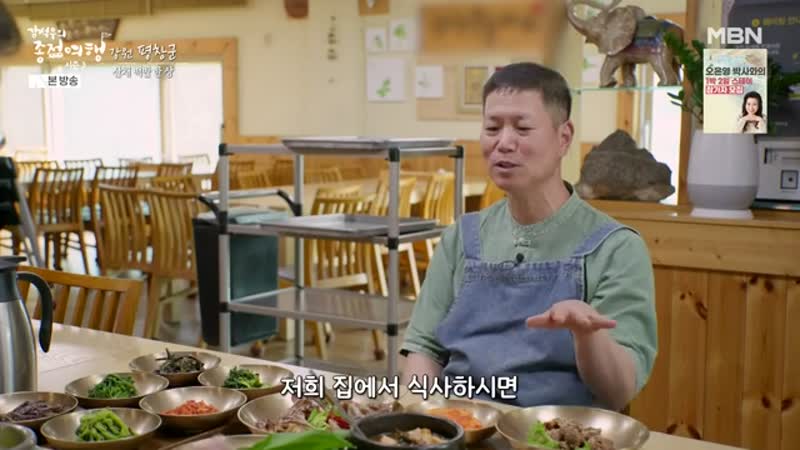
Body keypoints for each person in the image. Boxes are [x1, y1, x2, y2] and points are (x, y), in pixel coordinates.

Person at [400, 62, 657, 412]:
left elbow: (619, 392)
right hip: (462, 425)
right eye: (492, 128)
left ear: (564, 138)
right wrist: (422, 418)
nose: (504, 143)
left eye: (522, 128)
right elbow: (424, 349)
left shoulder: (616, 248)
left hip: (555, 431)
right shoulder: (462, 236)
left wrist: (587, 335)